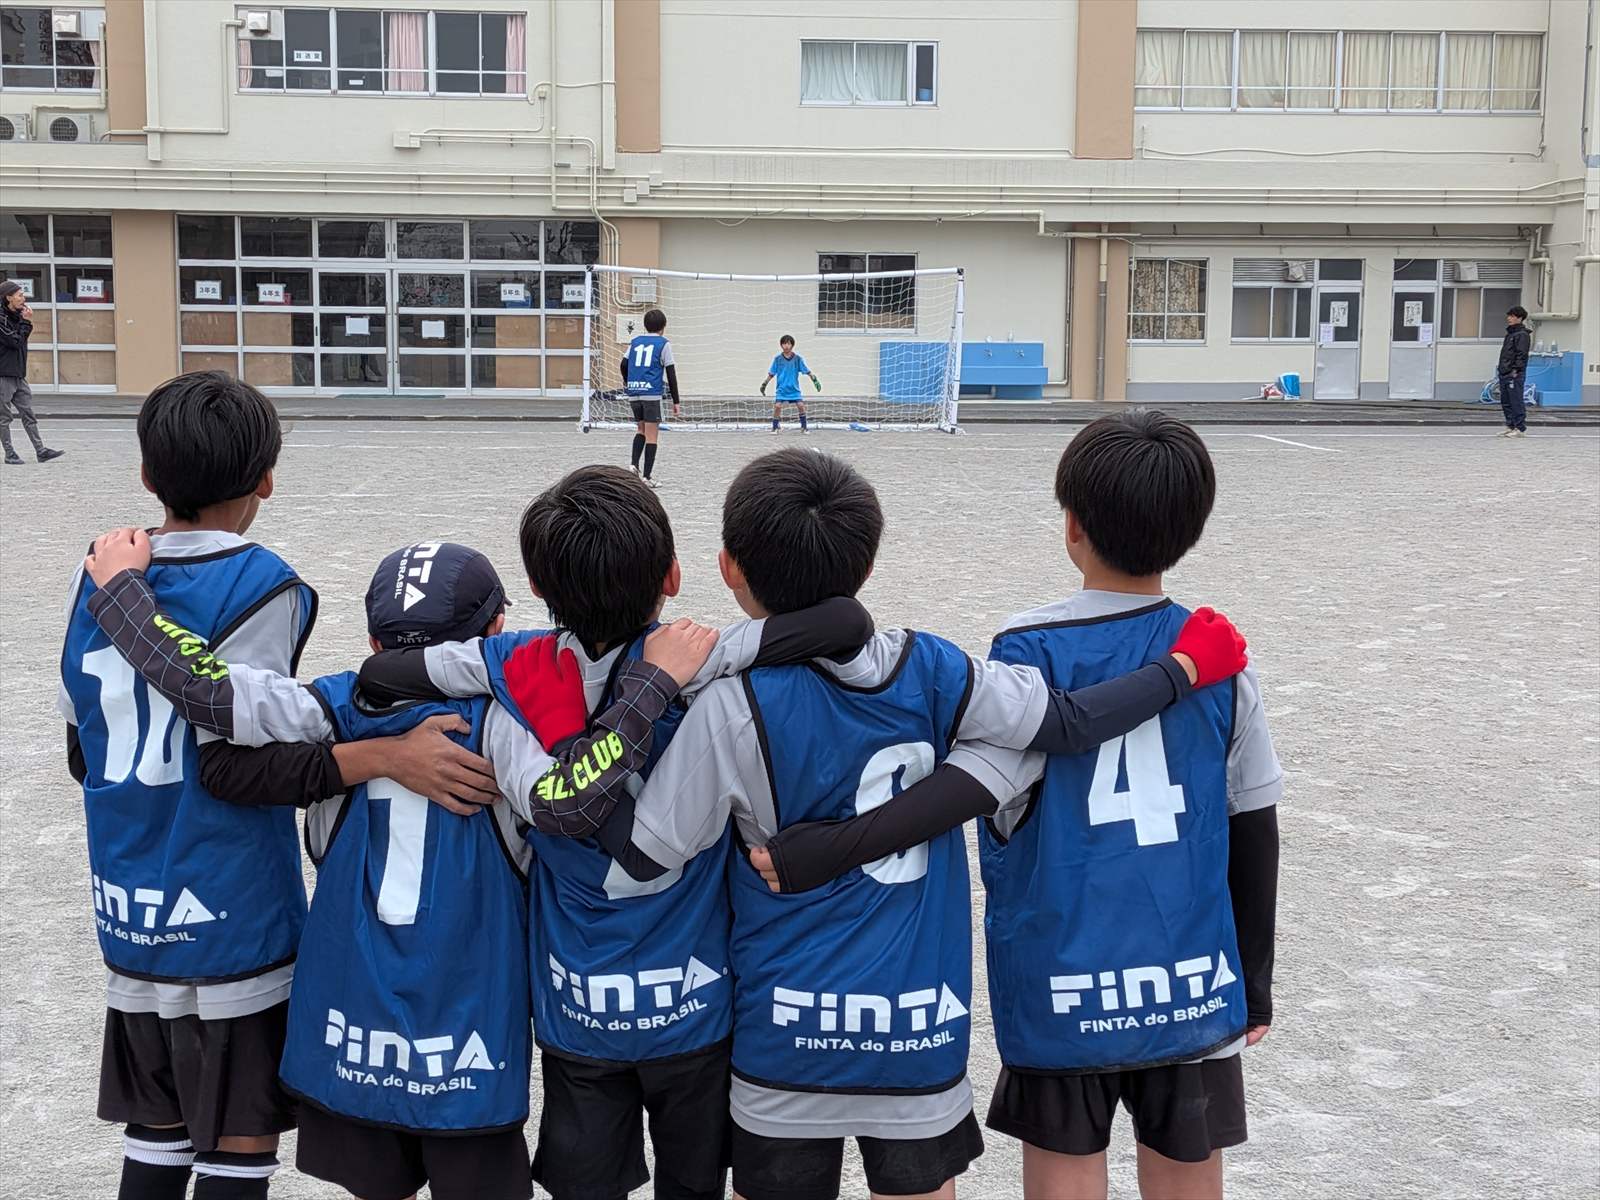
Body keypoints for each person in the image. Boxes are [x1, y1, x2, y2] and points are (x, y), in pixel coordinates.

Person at [585, 447, 1249, 1200]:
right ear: (867, 565)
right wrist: (1180, 670)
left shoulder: (726, 704)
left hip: (785, 1027)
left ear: (728, 568)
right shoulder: (934, 667)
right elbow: (1057, 730)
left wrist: (574, 756)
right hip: (919, 1028)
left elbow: (648, 851)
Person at [76, 531, 721, 1200]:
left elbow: (210, 706)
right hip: (469, 1035)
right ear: (496, 629)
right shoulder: (505, 721)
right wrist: (645, 688)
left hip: (353, 1025)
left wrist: (124, 593)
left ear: (373, 640)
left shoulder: (332, 704)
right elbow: (567, 801)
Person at [754, 412, 1281, 1200]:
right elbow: (1254, 824)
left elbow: (973, 786)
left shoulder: (1028, 649)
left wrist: (828, 848)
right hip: (1193, 976)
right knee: (1188, 1174)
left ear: (1072, 526)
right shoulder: (1220, 655)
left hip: (1062, 977)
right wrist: (1254, 980)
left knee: (1067, 1171)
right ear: (1191, 529)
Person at [352, 465, 883, 1200]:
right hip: (694, 1006)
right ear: (673, 577)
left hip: (578, 1011)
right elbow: (846, 623)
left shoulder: (510, 670)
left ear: (536, 587)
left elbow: (382, 671)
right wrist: (681, 667)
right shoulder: (701, 662)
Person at [57, 372, 331, 1199]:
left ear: (148, 476)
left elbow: (81, 743)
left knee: (157, 1130)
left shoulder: (100, 573)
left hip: (129, 899)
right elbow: (240, 749)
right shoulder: (263, 582)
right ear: (266, 481)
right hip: (230, 903)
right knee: (239, 1138)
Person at [0, 279, 63, 464]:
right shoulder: (1, 319)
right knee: (4, 417)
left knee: (28, 413)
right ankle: (9, 453)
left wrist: (23, 321)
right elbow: (15, 342)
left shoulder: (17, 317)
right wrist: (26, 322)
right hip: (3, 375)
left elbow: (20, 340)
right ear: (8, 297)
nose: (23, 298)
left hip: (19, 375)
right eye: (19, 295)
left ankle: (40, 450)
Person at [621, 308, 680, 486]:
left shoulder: (635, 342)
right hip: (651, 394)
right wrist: (676, 400)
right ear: (663, 326)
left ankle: (633, 464)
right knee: (652, 435)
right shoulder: (663, 344)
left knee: (641, 429)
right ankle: (647, 477)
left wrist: (628, 382)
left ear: (645, 326)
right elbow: (671, 373)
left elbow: (623, 364)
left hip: (634, 393)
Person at [760, 334, 820, 433]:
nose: (786, 346)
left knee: (801, 406)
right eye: (784, 344)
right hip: (782, 389)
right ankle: (775, 427)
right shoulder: (777, 359)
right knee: (777, 406)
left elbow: (806, 370)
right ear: (781, 345)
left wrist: (814, 379)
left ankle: (804, 427)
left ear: (792, 345)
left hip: (794, 389)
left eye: (788, 343)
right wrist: (764, 384)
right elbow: (772, 373)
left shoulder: (797, 359)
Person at [1496, 304, 1531, 438]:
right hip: (1505, 372)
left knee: (1516, 400)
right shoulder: (1510, 334)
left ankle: (1519, 428)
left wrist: (1516, 370)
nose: (1509, 318)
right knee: (1506, 401)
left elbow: (1521, 354)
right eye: (1509, 316)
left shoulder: (1522, 335)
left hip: (1514, 373)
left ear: (1520, 318)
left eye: (1512, 316)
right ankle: (1510, 425)